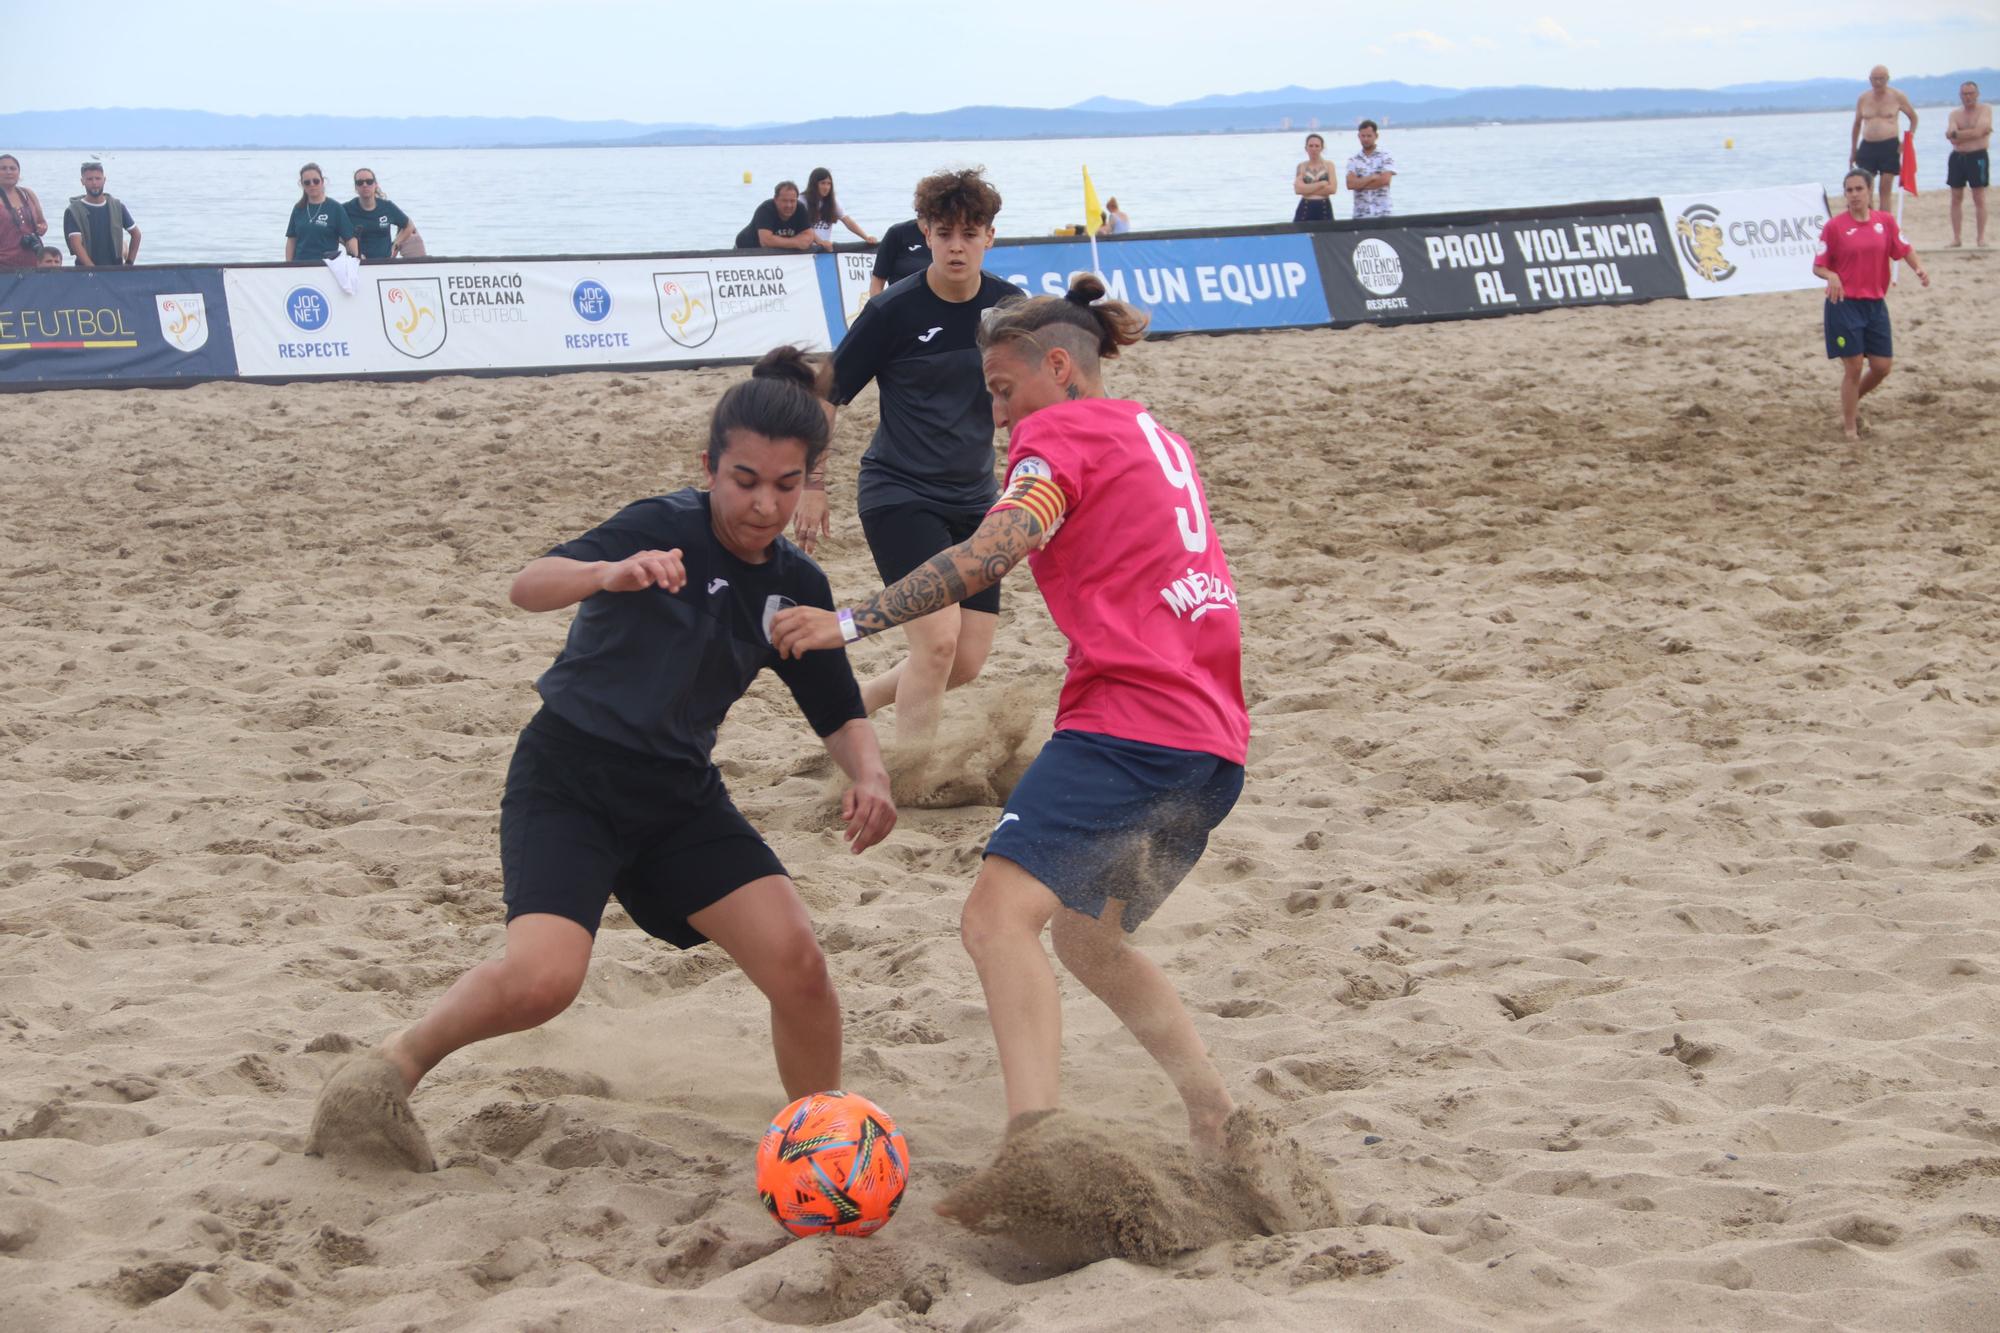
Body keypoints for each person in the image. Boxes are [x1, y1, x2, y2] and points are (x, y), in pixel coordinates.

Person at [307, 347, 897, 1170]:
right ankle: (391, 1065)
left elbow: (835, 704)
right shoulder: (661, 526)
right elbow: (528, 583)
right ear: (709, 467)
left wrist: (869, 772)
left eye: (787, 483)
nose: (764, 503)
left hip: (678, 798)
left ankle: (817, 1146)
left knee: (800, 965)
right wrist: (607, 573)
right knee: (544, 981)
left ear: (810, 478)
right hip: (571, 774)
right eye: (745, 479)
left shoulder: (795, 582)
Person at [772, 274, 1248, 1157]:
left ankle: (1036, 1144)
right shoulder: (1158, 434)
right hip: (1212, 743)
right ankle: (1216, 1115)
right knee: (1087, 939)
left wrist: (847, 622)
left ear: (1058, 366)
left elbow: (995, 547)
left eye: (1000, 389)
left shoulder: (1054, 430)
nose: (996, 418)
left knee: (994, 920)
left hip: (1128, 724)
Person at [796, 167, 1022, 759]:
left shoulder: (1010, 309)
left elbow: (1037, 399)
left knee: (967, 660)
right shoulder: (892, 311)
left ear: (989, 237)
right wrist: (813, 483)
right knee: (938, 642)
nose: (955, 245)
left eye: (969, 234)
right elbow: (825, 395)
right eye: (943, 232)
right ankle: (911, 773)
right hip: (900, 494)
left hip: (977, 501)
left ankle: (856, 704)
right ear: (923, 232)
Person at [1813, 169, 1930, 441]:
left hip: (1875, 304)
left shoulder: (1885, 222)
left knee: (1882, 366)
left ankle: (1849, 401)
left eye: (1858, 189)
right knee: (1853, 366)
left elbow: (1903, 248)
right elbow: (1818, 266)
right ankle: (1850, 428)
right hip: (1843, 305)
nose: (1854, 195)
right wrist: (1831, 275)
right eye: (1849, 190)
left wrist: (1919, 268)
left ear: (1869, 191)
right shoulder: (1835, 227)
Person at [1851, 65, 1918, 214]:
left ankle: (1885, 222)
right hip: (1867, 146)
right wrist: (1853, 150)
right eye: (1875, 79)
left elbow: (1913, 118)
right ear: (1870, 80)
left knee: (1885, 188)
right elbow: (1856, 124)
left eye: (1881, 79)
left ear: (1887, 79)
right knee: (1866, 186)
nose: (1878, 82)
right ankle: (1868, 221)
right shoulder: (1863, 98)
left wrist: (1907, 140)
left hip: (1889, 145)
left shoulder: (1897, 96)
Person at [63, 161, 140, 268]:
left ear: (104, 180)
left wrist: (129, 263)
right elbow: (76, 244)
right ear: (82, 181)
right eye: (89, 179)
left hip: (115, 269)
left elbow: (136, 234)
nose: (94, 183)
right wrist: (93, 270)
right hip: (85, 271)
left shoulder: (117, 207)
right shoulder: (74, 211)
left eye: (98, 178)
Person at [1945, 80, 1991, 248]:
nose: (1968, 97)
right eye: (1965, 94)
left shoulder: (1985, 110)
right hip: (1957, 158)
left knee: (1979, 197)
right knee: (1956, 197)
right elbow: (1951, 136)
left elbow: (1980, 131)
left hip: (1977, 156)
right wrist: (1970, 134)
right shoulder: (1955, 114)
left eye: (1971, 93)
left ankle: (1981, 238)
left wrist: (1958, 135)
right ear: (1960, 96)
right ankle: (1956, 238)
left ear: (1977, 94)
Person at [285, 162, 357, 262]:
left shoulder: (335, 208)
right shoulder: (298, 208)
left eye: (316, 181)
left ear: (322, 181)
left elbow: (349, 238)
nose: (312, 185)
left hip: (327, 266)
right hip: (300, 265)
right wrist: (288, 265)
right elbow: (291, 240)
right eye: (307, 182)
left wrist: (357, 259)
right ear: (302, 184)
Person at [345, 167, 420, 260]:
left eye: (369, 181)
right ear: (356, 187)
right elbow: (335, 231)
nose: (365, 185)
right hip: (357, 263)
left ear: (375, 184)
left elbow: (409, 226)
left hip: (384, 263)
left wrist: (395, 245)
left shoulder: (387, 207)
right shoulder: (346, 209)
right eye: (360, 182)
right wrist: (349, 245)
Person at [734, 181, 827, 252]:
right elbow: (766, 241)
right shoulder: (766, 209)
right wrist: (797, 242)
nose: (789, 205)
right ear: (776, 199)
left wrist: (780, 241)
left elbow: (809, 237)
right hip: (745, 250)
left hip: (776, 255)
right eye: (784, 201)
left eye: (792, 201)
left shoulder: (800, 209)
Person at [804, 167, 876, 249]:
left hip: (824, 248)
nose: (826, 187)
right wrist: (820, 242)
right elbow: (805, 228)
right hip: (805, 249)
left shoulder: (832, 202)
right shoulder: (802, 201)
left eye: (829, 184)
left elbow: (847, 220)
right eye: (823, 183)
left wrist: (866, 237)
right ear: (814, 184)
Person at [0, 154, 50, 269]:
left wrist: (42, 227)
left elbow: (42, 222)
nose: (9, 172)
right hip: (4, 264)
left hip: (32, 260)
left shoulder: (27, 194)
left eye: (13, 168)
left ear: (18, 172)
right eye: (3, 168)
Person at [1344, 120, 1396, 220]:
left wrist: (1360, 183)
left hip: (1383, 213)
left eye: (1369, 136)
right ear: (1358, 136)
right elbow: (1350, 184)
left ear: (1376, 136)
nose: (1366, 139)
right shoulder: (1353, 160)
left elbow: (1385, 181)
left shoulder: (1385, 156)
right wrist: (1372, 178)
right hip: (1360, 215)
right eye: (1363, 136)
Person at [868, 216, 930, 298]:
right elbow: (877, 282)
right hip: (900, 305)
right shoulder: (897, 232)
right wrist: (878, 309)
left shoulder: (950, 233)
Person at [1292, 133, 1335, 223]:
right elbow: (1298, 190)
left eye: (1317, 146)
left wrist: (1307, 189)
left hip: (1324, 208)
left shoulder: (1329, 165)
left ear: (1322, 148)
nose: (1313, 149)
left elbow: (1332, 189)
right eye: (1311, 146)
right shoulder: (1301, 166)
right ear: (1306, 148)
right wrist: (1321, 184)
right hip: (1305, 208)